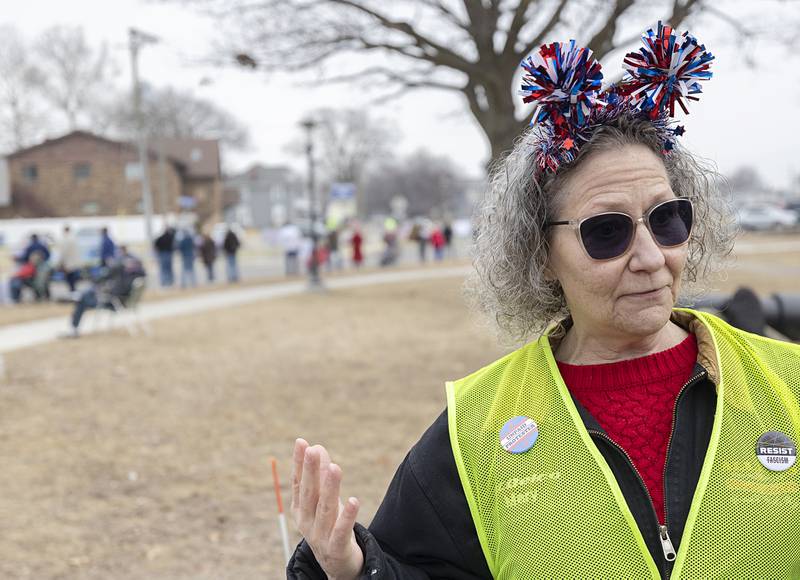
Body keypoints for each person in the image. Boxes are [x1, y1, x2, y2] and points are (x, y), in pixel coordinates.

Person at [288, 25, 800, 579]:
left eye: (666, 219)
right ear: (540, 253)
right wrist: (353, 572)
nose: (651, 256)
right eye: (607, 232)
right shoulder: (478, 428)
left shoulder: (787, 385)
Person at [63, 246, 146, 338]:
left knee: (83, 299)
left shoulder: (122, 270)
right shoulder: (138, 275)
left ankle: (74, 329)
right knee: (87, 294)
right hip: (123, 301)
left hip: (114, 302)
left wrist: (107, 290)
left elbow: (114, 288)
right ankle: (78, 301)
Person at [58, 225, 82, 293]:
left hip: (68, 263)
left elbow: (63, 253)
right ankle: (74, 293)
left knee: (70, 280)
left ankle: (72, 293)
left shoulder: (65, 240)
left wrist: (60, 263)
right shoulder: (74, 239)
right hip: (75, 263)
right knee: (74, 280)